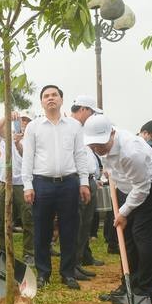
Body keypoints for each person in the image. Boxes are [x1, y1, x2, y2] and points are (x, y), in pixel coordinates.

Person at [85, 115, 152, 304]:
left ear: (112, 134)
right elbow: (109, 165)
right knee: (127, 238)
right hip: (128, 188)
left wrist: (124, 212)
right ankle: (128, 285)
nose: (97, 148)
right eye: (93, 145)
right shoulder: (99, 146)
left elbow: (142, 188)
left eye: (100, 144)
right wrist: (108, 171)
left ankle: (145, 293)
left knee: (143, 237)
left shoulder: (131, 151)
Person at [22, 85, 90, 290]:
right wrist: (27, 185)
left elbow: (80, 155)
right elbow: (28, 157)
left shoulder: (74, 126)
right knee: (41, 230)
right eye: (46, 96)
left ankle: (68, 273)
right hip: (41, 183)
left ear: (61, 99)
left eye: (54, 95)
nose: (50, 98)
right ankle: (43, 273)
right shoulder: (33, 127)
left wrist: (84, 182)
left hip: (69, 183)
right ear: (41, 102)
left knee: (70, 229)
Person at [69, 95, 105, 281]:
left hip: (89, 179)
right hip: (77, 181)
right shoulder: (69, 127)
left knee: (86, 224)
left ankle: (79, 260)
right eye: (91, 112)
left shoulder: (83, 130)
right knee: (78, 223)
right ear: (83, 109)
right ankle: (72, 264)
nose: (92, 117)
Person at [0, 111, 34, 265]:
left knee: (28, 219)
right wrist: (7, 115)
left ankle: (29, 253)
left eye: (27, 120)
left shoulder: (32, 138)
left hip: (23, 184)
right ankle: (4, 252)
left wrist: (18, 143)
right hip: (5, 182)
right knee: (3, 218)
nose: (23, 122)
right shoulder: (8, 135)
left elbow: (25, 155)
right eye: (22, 119)